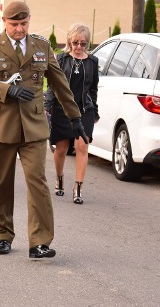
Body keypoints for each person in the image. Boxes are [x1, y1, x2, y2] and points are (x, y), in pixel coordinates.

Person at [0, 0, 87, 258]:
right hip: (1, 124)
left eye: (23, 23)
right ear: (4, 21)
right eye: (14, 24)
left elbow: (59, 83)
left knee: (38, 184)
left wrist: (75, 117)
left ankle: (40, 242)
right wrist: (6, 89)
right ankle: (2, 234)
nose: (19, 29)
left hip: (33, 126)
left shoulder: (41, 46)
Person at [44, 23, 99, 205]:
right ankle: (59, 178)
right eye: (75, 42)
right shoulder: (61, 59)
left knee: (82, 145)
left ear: (87, 43)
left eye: (83, 43)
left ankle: (78, 188)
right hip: (62, 109)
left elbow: (93, 89)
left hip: (85, 110)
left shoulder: (92, 62)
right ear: (69, 41)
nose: (78, 47)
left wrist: (95, 111)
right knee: (61, 149)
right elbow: (53, 85)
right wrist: (47, 105)